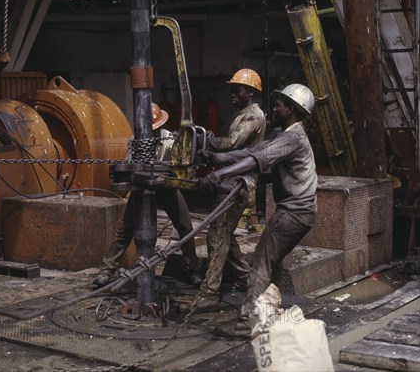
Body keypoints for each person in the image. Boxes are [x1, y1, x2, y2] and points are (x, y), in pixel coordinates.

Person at [198, 83, 317, 339]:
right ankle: (268, 315)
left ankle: (247, 322)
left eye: (279, 104)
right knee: (272, 265)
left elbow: (255, 161)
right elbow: (254, 150)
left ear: (292, 109)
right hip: (300, 212)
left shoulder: (292, 137)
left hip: (294, 212)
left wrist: (219, 174)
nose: (275, 108)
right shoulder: (289, 135)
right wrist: (216, 157)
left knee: (261, 263)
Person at [93, 103, 202, 288]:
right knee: (125, 231)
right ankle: (106, 271)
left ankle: (192, 270)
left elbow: (180, 165)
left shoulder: (170, 139)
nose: (153, 131)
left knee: (185, 228)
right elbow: (129, 165)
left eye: (156, 128)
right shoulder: (135, 141)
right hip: (142, 188)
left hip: (167, 187)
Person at [191, 68, 266, 312]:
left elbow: (233, 144)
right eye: (232, 89)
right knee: (224, 235)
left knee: (218, 235)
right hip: (230, 183)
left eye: (238, 89)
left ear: (251, 92)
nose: (232, 93)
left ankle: (209, 293)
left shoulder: (254, 116)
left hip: (239, 185)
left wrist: (208, 142)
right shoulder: (241, 114)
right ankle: (247, 279)